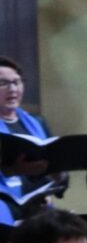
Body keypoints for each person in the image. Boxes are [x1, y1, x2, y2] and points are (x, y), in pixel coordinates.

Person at [0, 56, 66, 204]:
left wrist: (58, 175)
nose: (13, 89)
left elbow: (58, 173)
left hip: (39, 211)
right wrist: (13, 170)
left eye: (17, 82)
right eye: (2, 83)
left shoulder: (37, 122)